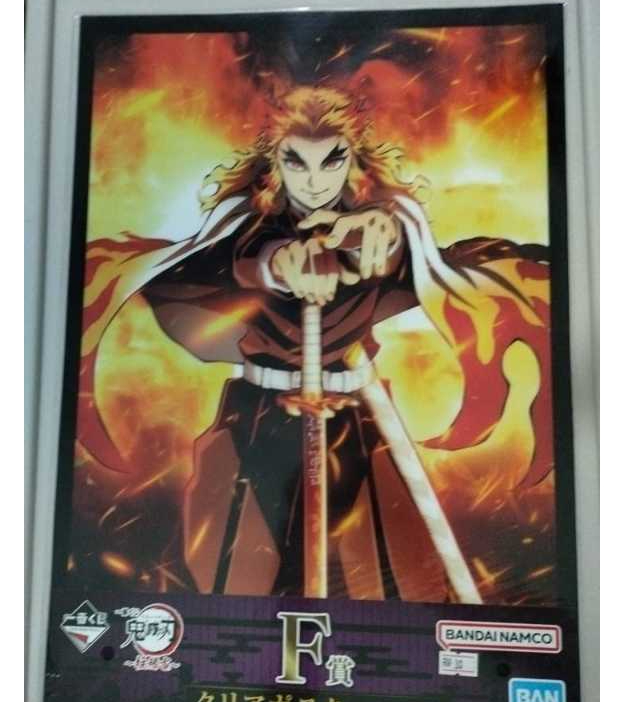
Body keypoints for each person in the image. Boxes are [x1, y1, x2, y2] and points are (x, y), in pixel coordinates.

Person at [80, 87, 550, 601]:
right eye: (296, 162)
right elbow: (225, 258)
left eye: (331, 161)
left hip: (356, 413)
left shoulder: (380, 219)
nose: (314, 181)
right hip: (259, 415)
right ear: (274, 161)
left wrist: (375, 237)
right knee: (236, 571)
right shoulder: (246, 222)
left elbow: (407, 255)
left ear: (353, 159)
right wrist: (276, 264)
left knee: (392, 575)